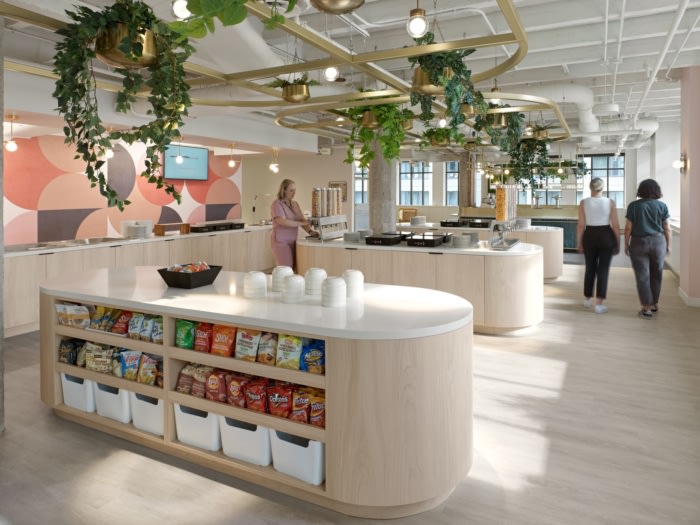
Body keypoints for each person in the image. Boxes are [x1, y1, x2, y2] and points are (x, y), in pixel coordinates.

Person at [624, 179, 671, 319]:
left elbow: (628, 228)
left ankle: (646, 308)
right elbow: (667, 228)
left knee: (642, 276)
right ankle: (654, 304)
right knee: (657, 274)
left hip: (638, 243)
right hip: (658, 242)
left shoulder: (634, 206)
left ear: (641, 190)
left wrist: (626, 243)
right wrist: (668, 245)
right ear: (657, 191)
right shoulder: (662, 206)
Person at [576, 177, 620, 314]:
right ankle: (599, 304)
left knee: (590, 267)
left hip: (589, 235)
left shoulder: (583, 203)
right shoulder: (610, 202)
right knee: (603, 269)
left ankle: (587, 299)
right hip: (606, 235)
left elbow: (581, 225)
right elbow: (616, 225)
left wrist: (579, 243)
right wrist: (618, 243)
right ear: (603, 188)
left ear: (590, 187)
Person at [270, 178, 318, 271]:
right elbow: (282, 221)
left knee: (294, 268)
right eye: (291, 190)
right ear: (284, 190)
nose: (294, 193)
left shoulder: (295, 204)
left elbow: (301, 219)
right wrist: (303, 222)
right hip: (280, 240)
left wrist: (310, 231)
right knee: (286, 269)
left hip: (293, 240)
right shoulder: (276, 204)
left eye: (295, 190)